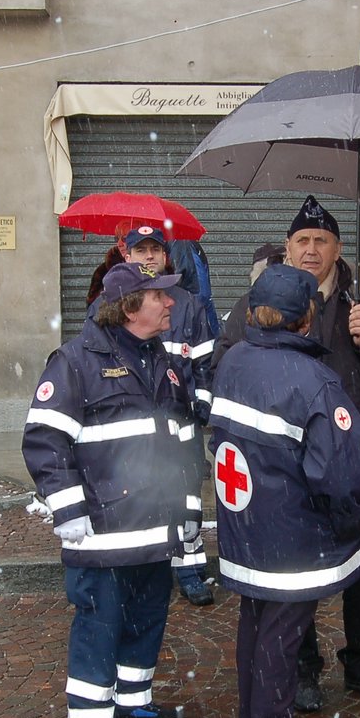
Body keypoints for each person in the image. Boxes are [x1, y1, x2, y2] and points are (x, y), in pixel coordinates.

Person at [217, 196, 360, 711]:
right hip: (287, 471)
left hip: (350, 465)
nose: (311, 249)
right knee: (295, 579)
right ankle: (301, 667)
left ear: (338, 248)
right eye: (302, 240)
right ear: (287, 247)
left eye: (321, 240)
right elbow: (228, 358)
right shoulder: (263, 299)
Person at [24, 258, 199, 718]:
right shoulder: (75, 362)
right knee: (100, 623)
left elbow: (183, 439)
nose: (169, 303)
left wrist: (187, 508)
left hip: (155, 526)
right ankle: (91, 715)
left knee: (147, 616)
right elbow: (43, 441)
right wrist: (67, 508)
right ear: (128, 308)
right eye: (158, 296)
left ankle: (133, 699)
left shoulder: (161, 360)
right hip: (102, 533)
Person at [209, 265, 360, 718]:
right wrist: (352, 526)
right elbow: (341, 476)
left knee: (256, 624)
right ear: (306, 317)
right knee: (283, 632)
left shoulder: (235, 359)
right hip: (293, 534)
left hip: (248, 524)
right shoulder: (315, 382)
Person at [84, 228, 217, 605]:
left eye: (155, 250)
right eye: (140, 250)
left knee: (187, 497)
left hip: (182, 420)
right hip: (136, 424)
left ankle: (189, 570)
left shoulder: (187, 304)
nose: (148, 257)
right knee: (138, 494)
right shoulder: (107, 304)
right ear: (126, 254)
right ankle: (145, 566)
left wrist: (202, 402)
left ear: (166, 256)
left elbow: (205, 361)